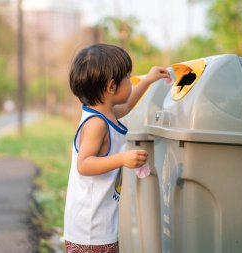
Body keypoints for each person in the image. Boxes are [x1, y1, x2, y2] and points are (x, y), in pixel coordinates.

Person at [64, 43, 170, 253]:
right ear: (111, 87)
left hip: (98, 224)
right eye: (128, 78)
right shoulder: (97, 123)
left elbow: (128, 104)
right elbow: (84, 164)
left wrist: (148, 80)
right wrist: (122, 159)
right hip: (90, 229)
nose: (131, 82)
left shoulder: (106, 113)